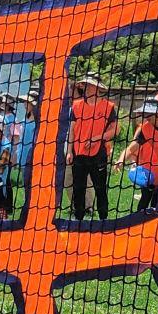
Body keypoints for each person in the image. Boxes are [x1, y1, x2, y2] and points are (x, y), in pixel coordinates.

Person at [65, 73, 117, 221]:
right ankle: (78, 219)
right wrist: (69, 151)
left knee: (100, 188)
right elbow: (72, 130)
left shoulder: (109, 107)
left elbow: (115, 130)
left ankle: (103, 219)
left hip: (99, 153)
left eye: (90, 85)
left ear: (97, 88)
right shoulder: (76, 105)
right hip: (79, 153)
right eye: (85, 85)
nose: (86, 88)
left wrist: (97, 139)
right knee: (78, 188)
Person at [118, 100, 158, 214]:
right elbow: (131, 148)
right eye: (144, 113)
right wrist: (121, 159)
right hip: (152, 171)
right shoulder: (146, 128)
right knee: (145, 203)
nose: (145, 117)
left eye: (148, 113)